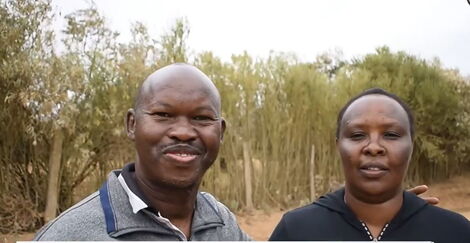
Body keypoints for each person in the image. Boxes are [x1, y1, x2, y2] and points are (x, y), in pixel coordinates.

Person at [34, 63, 250, 241]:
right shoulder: (71, 236)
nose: (183, 133)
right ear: (132, 125)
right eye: (163, 115)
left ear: (220, 131)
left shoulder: (222, 224)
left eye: (201, 118)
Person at [269, 88, 470, 242]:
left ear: (411, 146)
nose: (373, 147)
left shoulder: (455, 232)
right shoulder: (297, 230)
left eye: (391, 135)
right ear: (338, 146)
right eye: (357, 135)